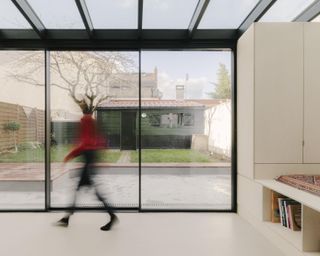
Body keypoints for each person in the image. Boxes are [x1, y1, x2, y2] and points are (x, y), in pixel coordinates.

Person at [56, 110, 118, 231]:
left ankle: (112, 216)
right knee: (81, 191)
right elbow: (100, 144)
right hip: (90, 166)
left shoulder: (86, 125)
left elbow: (83, 146)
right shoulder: (94, 129)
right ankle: (66, 218)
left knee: (92, 193)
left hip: (88, 167)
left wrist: (67, 157)